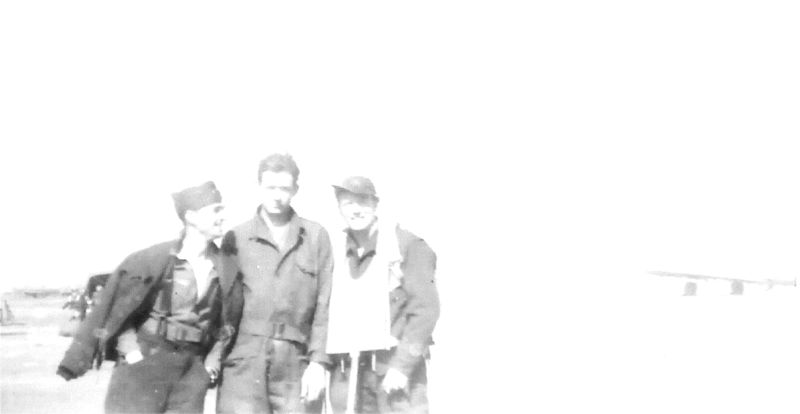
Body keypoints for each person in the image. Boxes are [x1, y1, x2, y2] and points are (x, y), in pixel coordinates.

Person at [57, 181, 227, 414]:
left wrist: (210, 365)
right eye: (216, 210)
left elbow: (228, 320)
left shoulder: (225, 267)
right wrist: (132, 354)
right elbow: (120, 311)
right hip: (147, 362)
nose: (223, 217)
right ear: (191, 216)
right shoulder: (154, 260)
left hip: (191, 372)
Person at [216, 153, 332, 414]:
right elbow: (222, 306)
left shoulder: (315, 237)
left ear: (296, 190)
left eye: (284, 188)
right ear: (259, 187)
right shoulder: (237, 237)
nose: (277, 196)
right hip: (245, 359)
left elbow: (324, 303)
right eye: (270, 188)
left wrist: (318, 362)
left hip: (295, 362)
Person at [325, 176, 440, 414]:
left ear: (375, 204)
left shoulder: (406, 245)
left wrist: (402, 366)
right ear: (339, 208)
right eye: (348, 203)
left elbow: (426, 311)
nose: (356, 210)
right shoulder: (336, 250)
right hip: (351, 375)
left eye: (363, 202)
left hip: (393, 375)